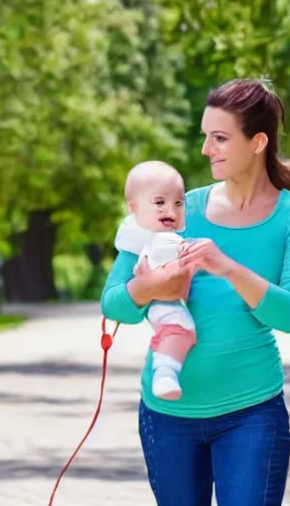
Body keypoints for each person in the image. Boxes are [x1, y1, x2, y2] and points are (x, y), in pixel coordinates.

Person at [100, 78, 290, 506]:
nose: (206, 149)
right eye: (206, 136)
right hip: (168, 418)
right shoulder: (178, 208)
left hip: (252, 413)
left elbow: (289, 315)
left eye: (219, 138)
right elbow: (114, 304)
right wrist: (145, 288)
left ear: (258, 142)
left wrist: (227, 268)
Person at [114, 160, 197, 400]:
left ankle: (166, 372)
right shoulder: (139, 238)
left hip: (172, 300)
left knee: (181, 329)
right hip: (162, 304)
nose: (170, 210)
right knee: (178, 329)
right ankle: (165, 373)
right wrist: (145, 285)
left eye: (178, 203)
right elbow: (113, 301)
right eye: (159, 202)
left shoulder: (170, 237)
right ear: (134, 208)